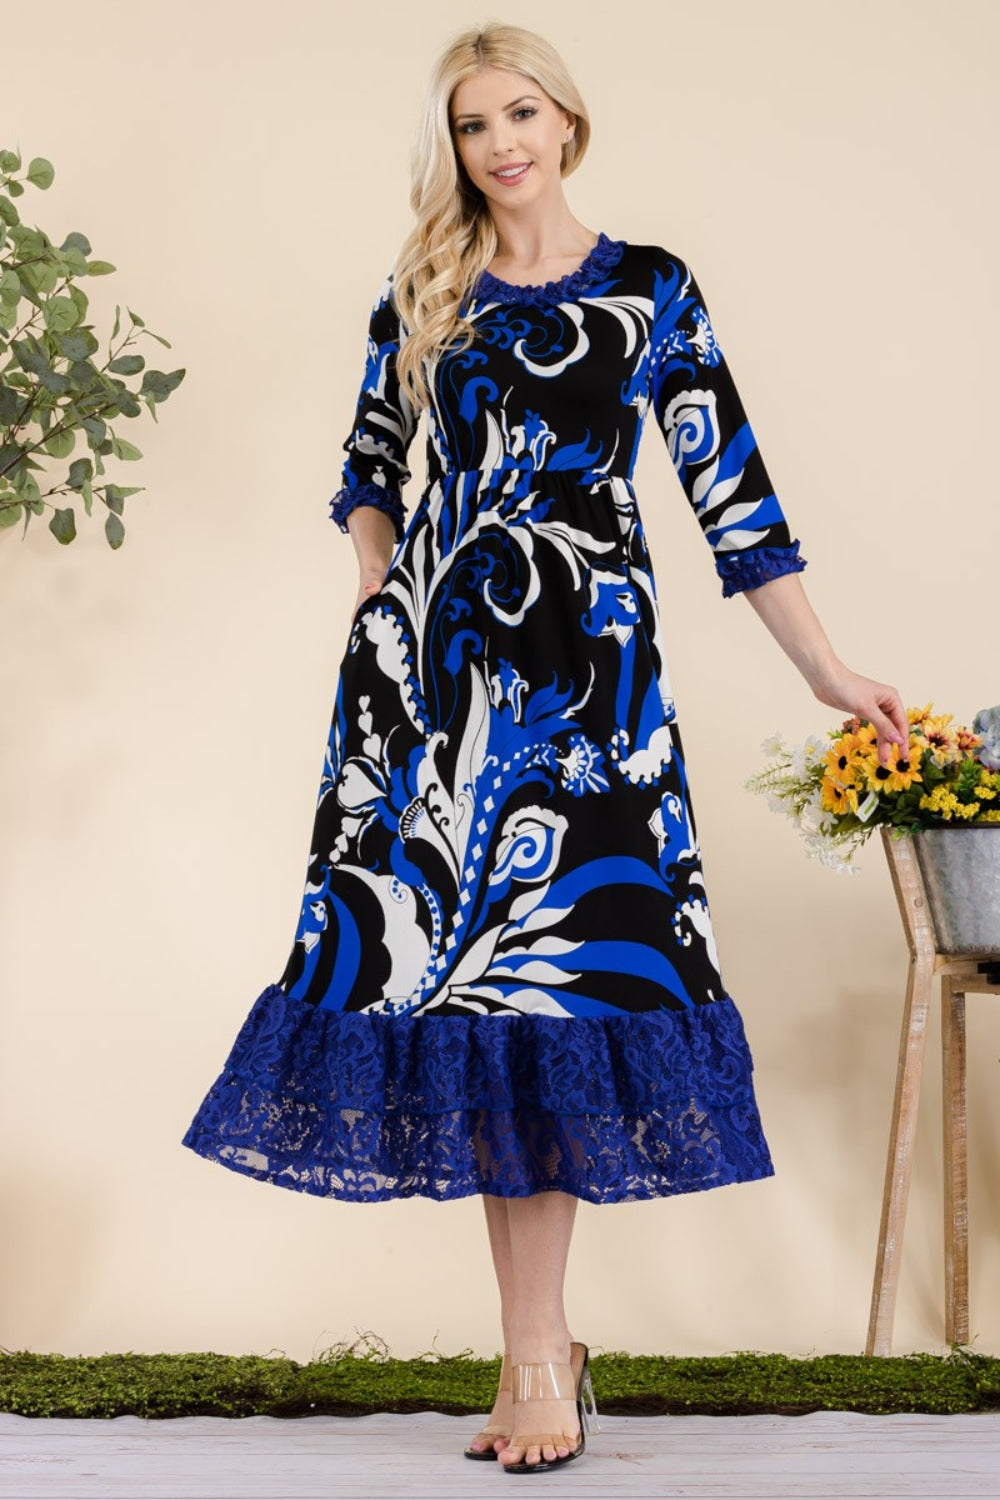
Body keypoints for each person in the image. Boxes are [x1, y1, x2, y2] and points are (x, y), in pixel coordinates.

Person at [182, 20, 909, 1475]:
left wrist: (830, 668)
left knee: (559, 1006)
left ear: (568, 122)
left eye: (522, 112)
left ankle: (535, 1359)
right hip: (436, 705)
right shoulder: (423, 291)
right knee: (467, 1006)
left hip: (591, 713)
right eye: (472, 124)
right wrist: (383, 597)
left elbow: (735, 500)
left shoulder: (652, 290)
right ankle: (535, 1354)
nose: (502, 141)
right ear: (451, 150)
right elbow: (368, 473)